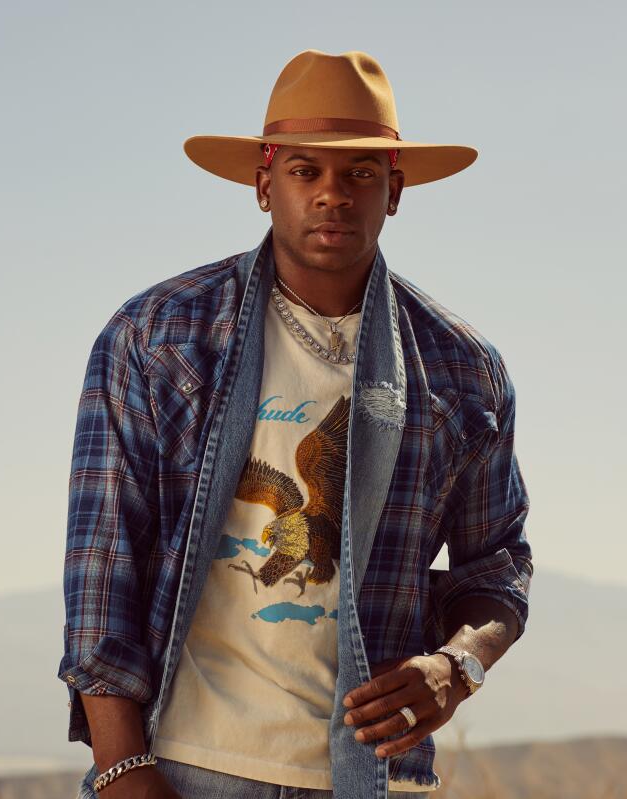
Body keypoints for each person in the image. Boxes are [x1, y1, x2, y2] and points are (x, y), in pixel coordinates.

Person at [60, 49, 533, 799]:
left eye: (360, 175)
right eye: (306, 171)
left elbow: (497, 564)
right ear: (263, 184)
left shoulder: (460, 370)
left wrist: (456, 667)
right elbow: (102, 562)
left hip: (373, 776)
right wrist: (121, 767)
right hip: (188, 766)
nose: (333, 196)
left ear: (396, 189)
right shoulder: (158, 337)